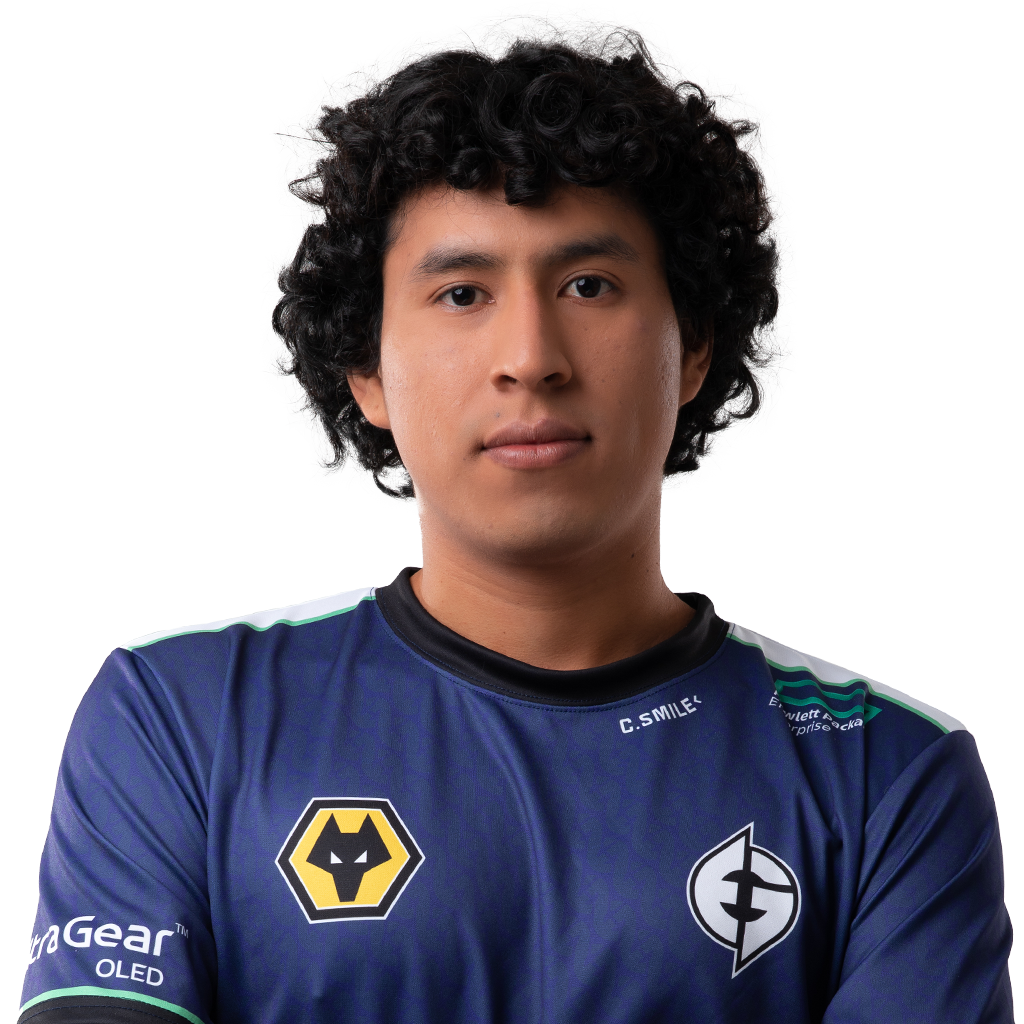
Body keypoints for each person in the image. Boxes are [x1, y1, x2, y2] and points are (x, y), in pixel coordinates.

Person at [19, 23, 1013, 1024]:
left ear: (694, 347)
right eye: (462, 293)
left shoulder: (887, 774)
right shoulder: (179, 719)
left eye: (589, 286)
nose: (530, 356)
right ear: (366, 370)